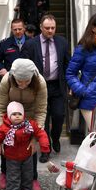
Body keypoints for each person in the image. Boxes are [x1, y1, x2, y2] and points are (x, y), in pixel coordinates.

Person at [21, 14, 70, 161]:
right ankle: (45, 149)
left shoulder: (62, 42)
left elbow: (68, 65)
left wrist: (70, 84)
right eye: (47, 28)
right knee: (42, 119)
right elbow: (24, 65)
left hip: (57, 86)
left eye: (53, 28)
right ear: (41, 28)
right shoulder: (31, 44)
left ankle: (55, 138)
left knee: (59, 115)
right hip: (39, 87)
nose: (50, 31)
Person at [0, 58, 47, 190]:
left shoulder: (40, 82)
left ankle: (32, 178)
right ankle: (5, 173)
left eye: (27, 81)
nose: (23, 84)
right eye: (19, 81)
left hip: (30, 117)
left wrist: (36, 136)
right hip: (10, 116)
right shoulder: (6, 80)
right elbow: (1, 107)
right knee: (7, 145)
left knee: (30, 148)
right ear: (14, 76)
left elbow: (41, 110)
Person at [0, 101, 50, 190]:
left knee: (28, 174)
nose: (17, 116)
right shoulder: (4, 128)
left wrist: (44, 147)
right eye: (14, 114)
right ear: (9, 116)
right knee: (13, 176)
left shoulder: (29, 125)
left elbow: (41, 133)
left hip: (27, 156)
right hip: (11, 158)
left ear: (23, 115)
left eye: (19, 114)